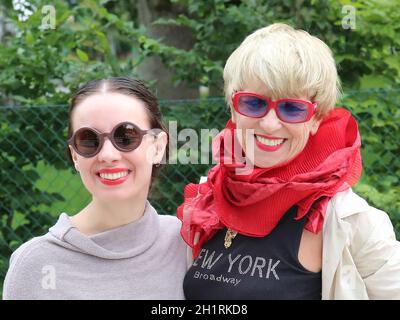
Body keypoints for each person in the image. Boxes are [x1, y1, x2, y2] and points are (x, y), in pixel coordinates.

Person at [178, 23, 400, 299]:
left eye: (292, 108)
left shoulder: (352, 223)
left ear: (316, 119)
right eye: (254, 103)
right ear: (234, 109)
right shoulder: (208, 201)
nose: (270, 124)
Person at [3, 77, 187, 299]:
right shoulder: (36, 265)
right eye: (89, 140)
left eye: (126, 136)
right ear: (75, 156)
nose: (108, 155)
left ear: (158, 147)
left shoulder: (185, 242)